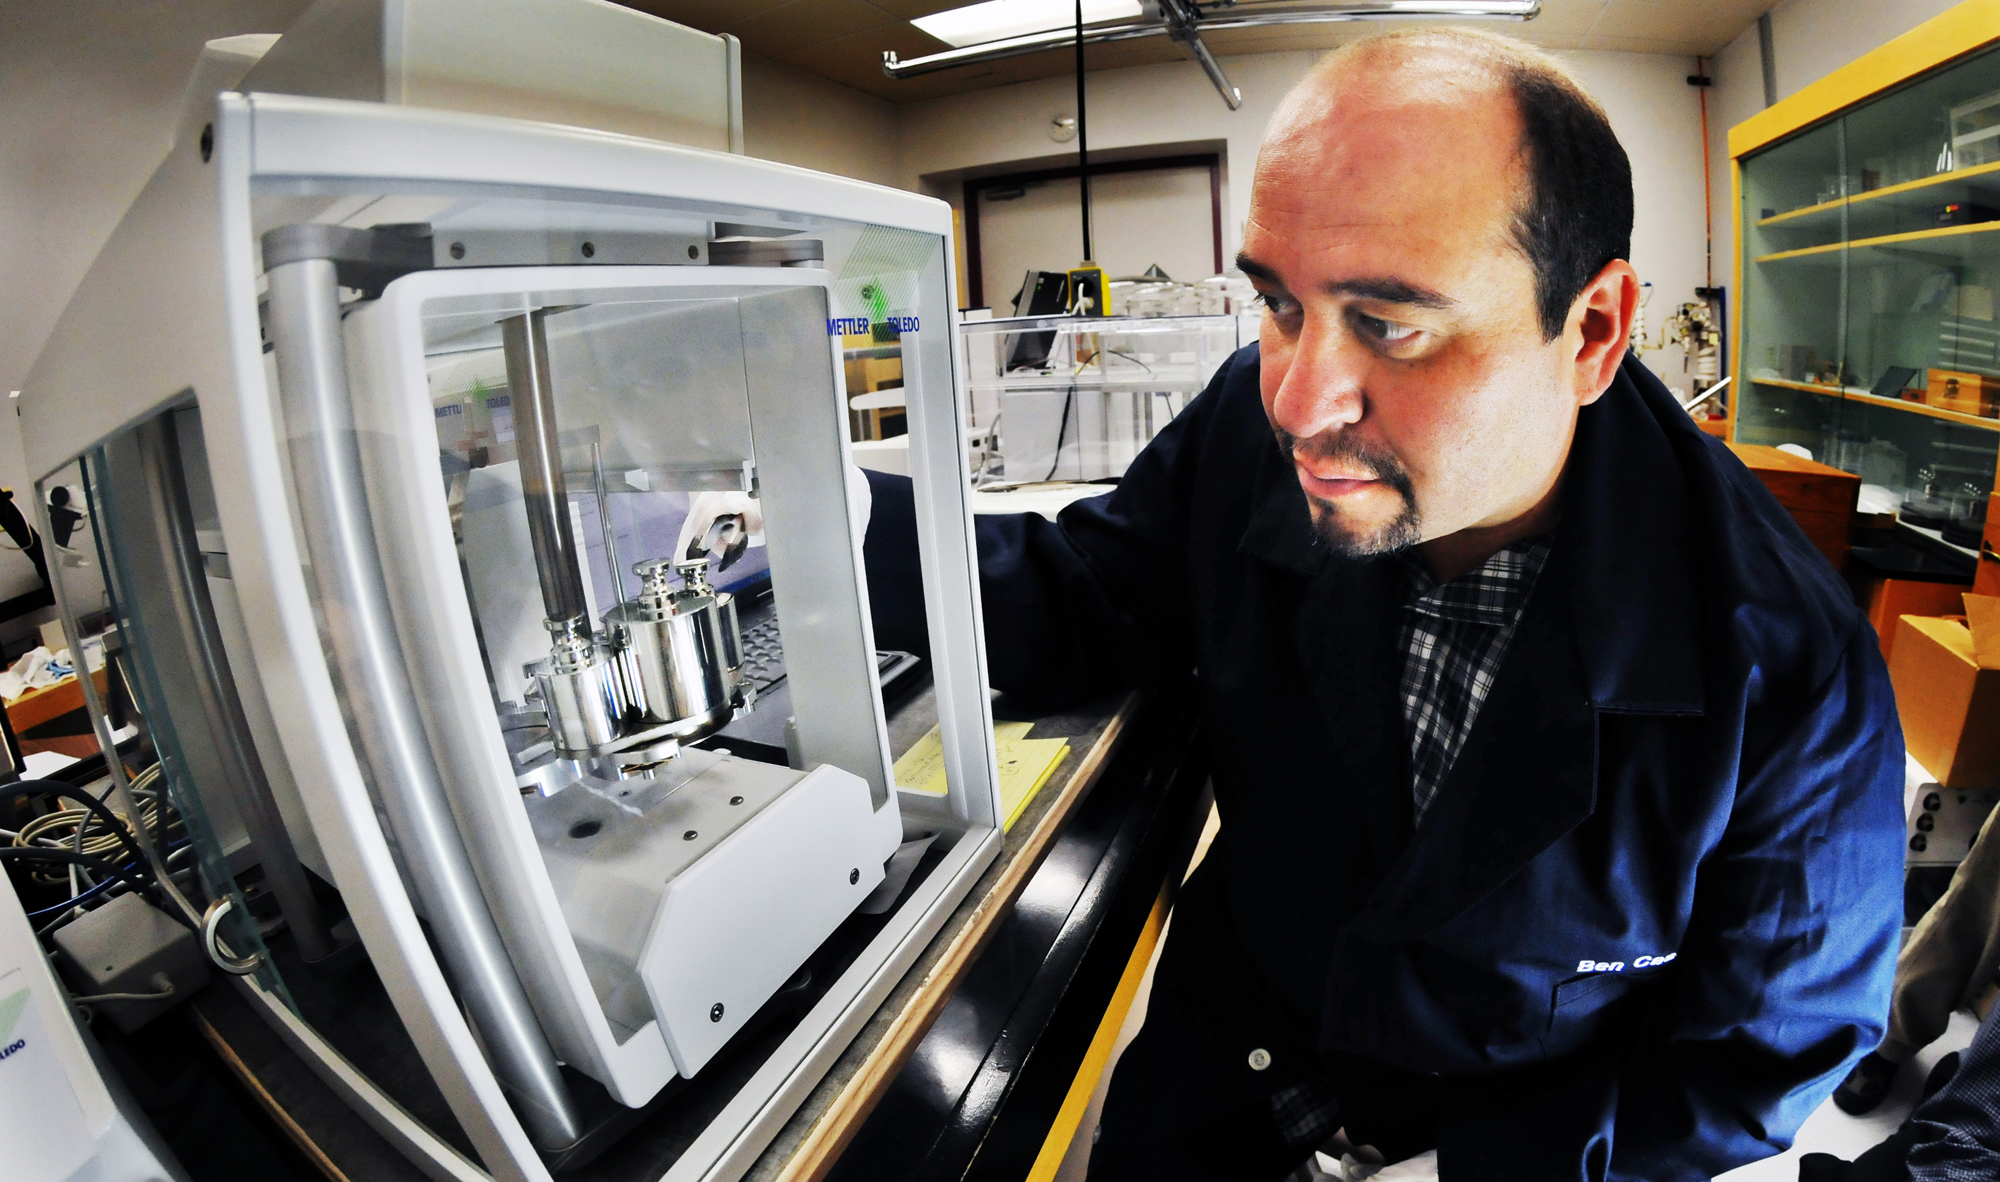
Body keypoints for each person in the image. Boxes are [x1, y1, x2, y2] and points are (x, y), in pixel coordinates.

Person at [690, 26, 1906, 1181]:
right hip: (1231, 1076)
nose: (1298, 397)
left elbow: (1757, 1060)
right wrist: (809, 509)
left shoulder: (1786, 670)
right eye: (1279, 303)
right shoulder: (1248, 423)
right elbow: (1086, 595)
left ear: (1589, 330)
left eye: (1387, 323)